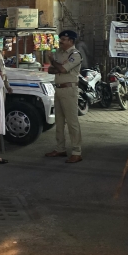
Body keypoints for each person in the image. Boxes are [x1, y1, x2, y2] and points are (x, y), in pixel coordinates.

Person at [45, 29, 83, 164]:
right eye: (60, 39)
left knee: (72, 122)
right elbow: (51, 69)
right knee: (59, 121)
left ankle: (76, 151)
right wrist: (58, 66)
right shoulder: (59, 53)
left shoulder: (75, 54)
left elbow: (61, 69)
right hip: (59, 89)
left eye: (64, 39)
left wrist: (53, 62)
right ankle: (60, 148)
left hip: (69, 90)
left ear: (71, 41)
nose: (61, 41)